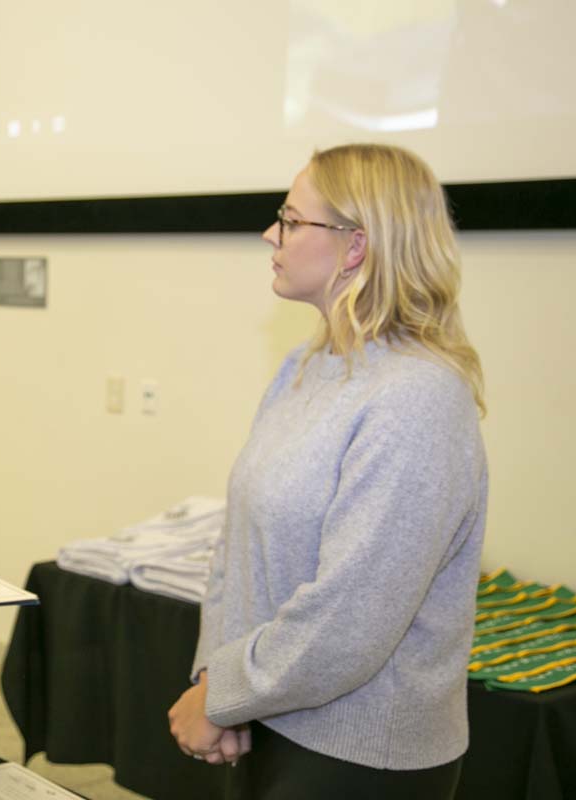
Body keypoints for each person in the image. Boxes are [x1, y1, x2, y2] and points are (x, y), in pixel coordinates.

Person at [167, 143, 487, 799]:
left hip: (361, 756)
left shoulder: (419, 398)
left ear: (356, 246)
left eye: (289, 219)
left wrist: (224, 694)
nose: (270, 235)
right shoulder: (305, 367)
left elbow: (351, 619)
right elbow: (237, 542)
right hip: (266, 717)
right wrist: (215, 682)